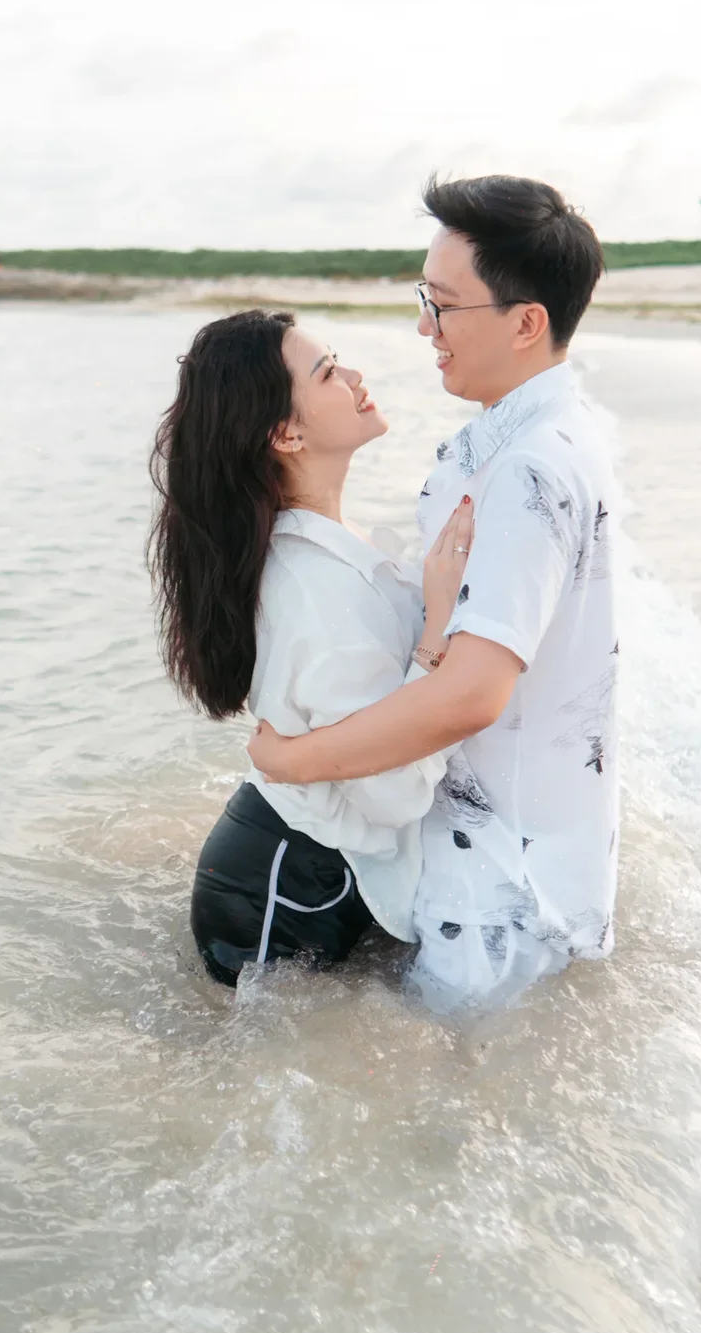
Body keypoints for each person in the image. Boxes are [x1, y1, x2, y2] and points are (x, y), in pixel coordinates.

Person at [249, 174, 617, 1008]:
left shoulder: (531, 464)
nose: (424, 326)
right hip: (487, 859)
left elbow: (470, 697)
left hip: (496, 891)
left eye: (443, 305)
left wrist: (292, 761)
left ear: (526, 322)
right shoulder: (512, 439)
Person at [147, 309, 474, 988]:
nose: (354, 376)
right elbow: (389, 796)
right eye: (328, 371)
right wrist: (438, 629)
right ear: (286, 433)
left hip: (294, 861)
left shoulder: (322, 549)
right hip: (279, 898)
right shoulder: (317, 589)